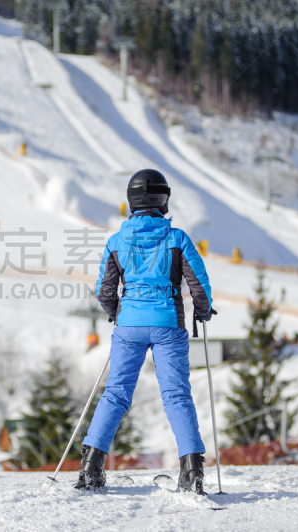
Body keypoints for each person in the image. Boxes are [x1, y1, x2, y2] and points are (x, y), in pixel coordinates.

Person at [75, 169, 213, 495]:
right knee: (177, 396)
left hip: (129, 327)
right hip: (168, 325)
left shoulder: (116, 242)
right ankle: (192, 470)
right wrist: (203, 311)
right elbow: (199, 285)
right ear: (164, 200)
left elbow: (105, 291)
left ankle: (91, 465)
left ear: (130, 202)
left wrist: (116, 315)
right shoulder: (177, 239)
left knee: (116, 394)